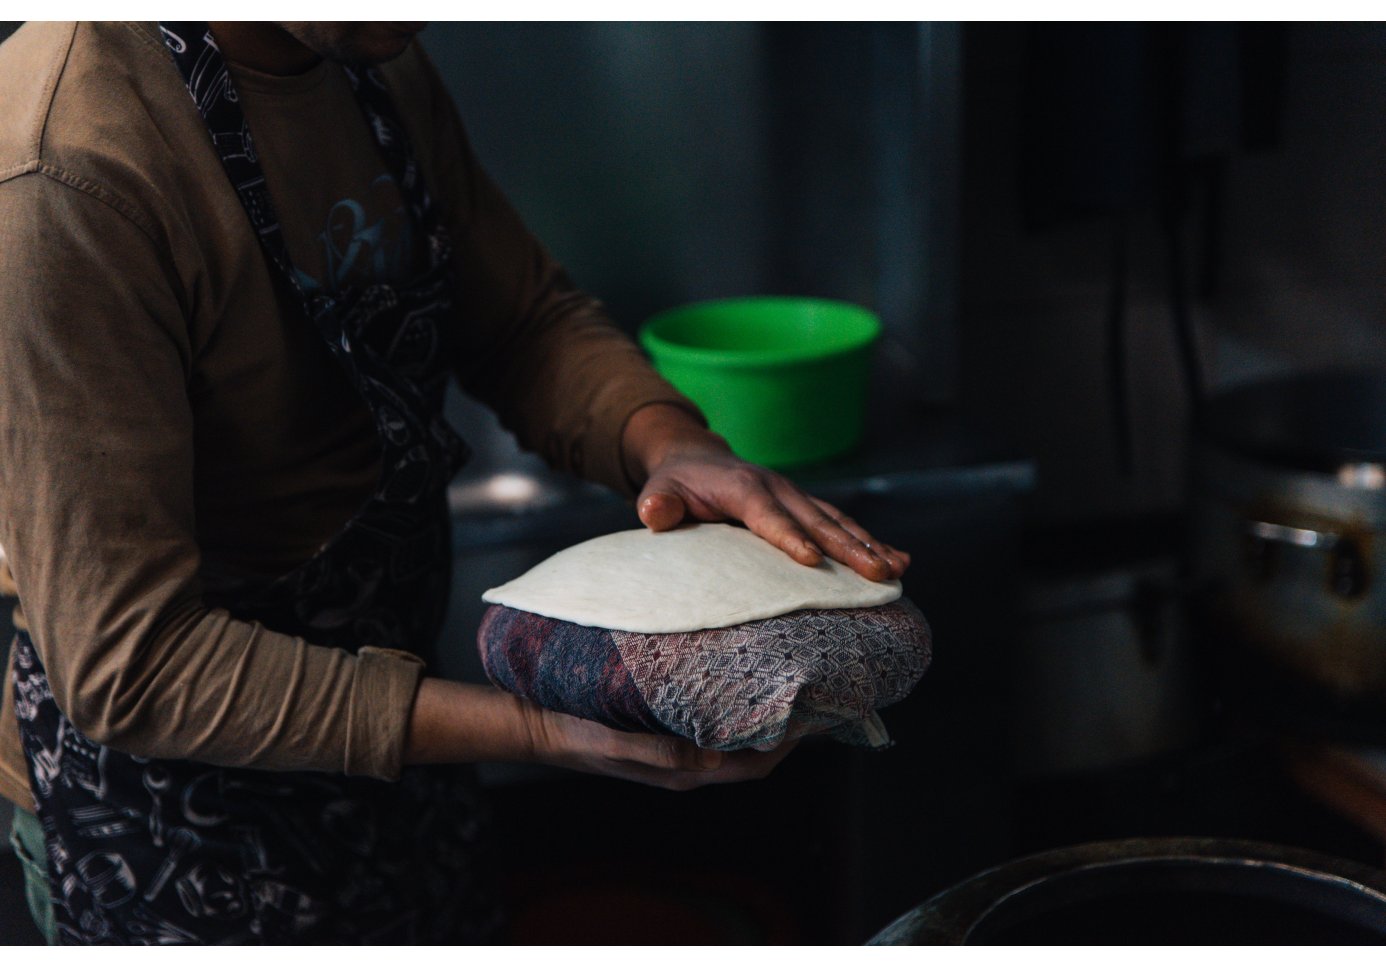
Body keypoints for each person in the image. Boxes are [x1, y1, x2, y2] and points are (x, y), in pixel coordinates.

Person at [0, 21, 909, 944]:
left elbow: (520, 320)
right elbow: (133, 666)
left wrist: (671, 443)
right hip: (170, 814)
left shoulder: (362, 48)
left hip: (401, 745)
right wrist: (539, 732)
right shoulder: (64, 170)